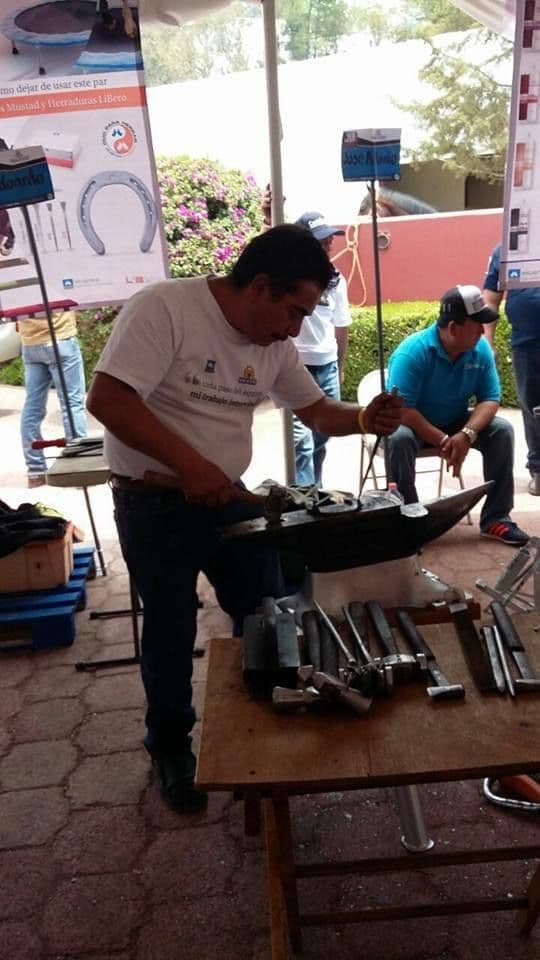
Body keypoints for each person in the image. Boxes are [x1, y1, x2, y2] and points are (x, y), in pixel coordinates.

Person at [87, 224, 402, 814]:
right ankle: (170, 747)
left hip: (228, 497)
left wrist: (365, 418)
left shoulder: (273, 343)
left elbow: (317, 410)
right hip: (152, 503)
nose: (296, 329)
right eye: (294, 310)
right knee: (172, 626)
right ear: (259, 286)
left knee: (262, 610)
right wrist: (190, 466)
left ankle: (256, 723)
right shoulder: (165, 308)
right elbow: (107, 399)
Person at [386, 283, 529, 547]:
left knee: (502, 431)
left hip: (455, 422)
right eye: (477, 324)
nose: (483, 331)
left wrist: (466, 434)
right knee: (398, 438)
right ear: (453, 328)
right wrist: (444, 440)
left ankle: (496, 518)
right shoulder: (412, 352)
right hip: (414, 425)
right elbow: (403, 411)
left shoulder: (480, 349)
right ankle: (408, 523)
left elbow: (490, 399)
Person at [262, 190, 352, 486]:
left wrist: (340, 367)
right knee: (301, 442)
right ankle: (306, 498)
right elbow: (266, 257)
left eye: (329, 240)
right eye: (321, 240)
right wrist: (268, 217)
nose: (328, 245)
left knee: (322, 436)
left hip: (327, 366)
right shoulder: (288, 278)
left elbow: (341, 324)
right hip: (296, 367)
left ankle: (315, 490)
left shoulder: (335, 280)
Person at [482, 243, 540, 496]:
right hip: (526, 342)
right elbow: (491, 297)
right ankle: (538, 469)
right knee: (531, 405)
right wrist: (488, 342)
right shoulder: (508, 248)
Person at [19, 311, 87, 488]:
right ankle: (79, 468)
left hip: (31, 344)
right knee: (72, 404)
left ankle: (36, 472)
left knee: (32, 408)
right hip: (60, 338)